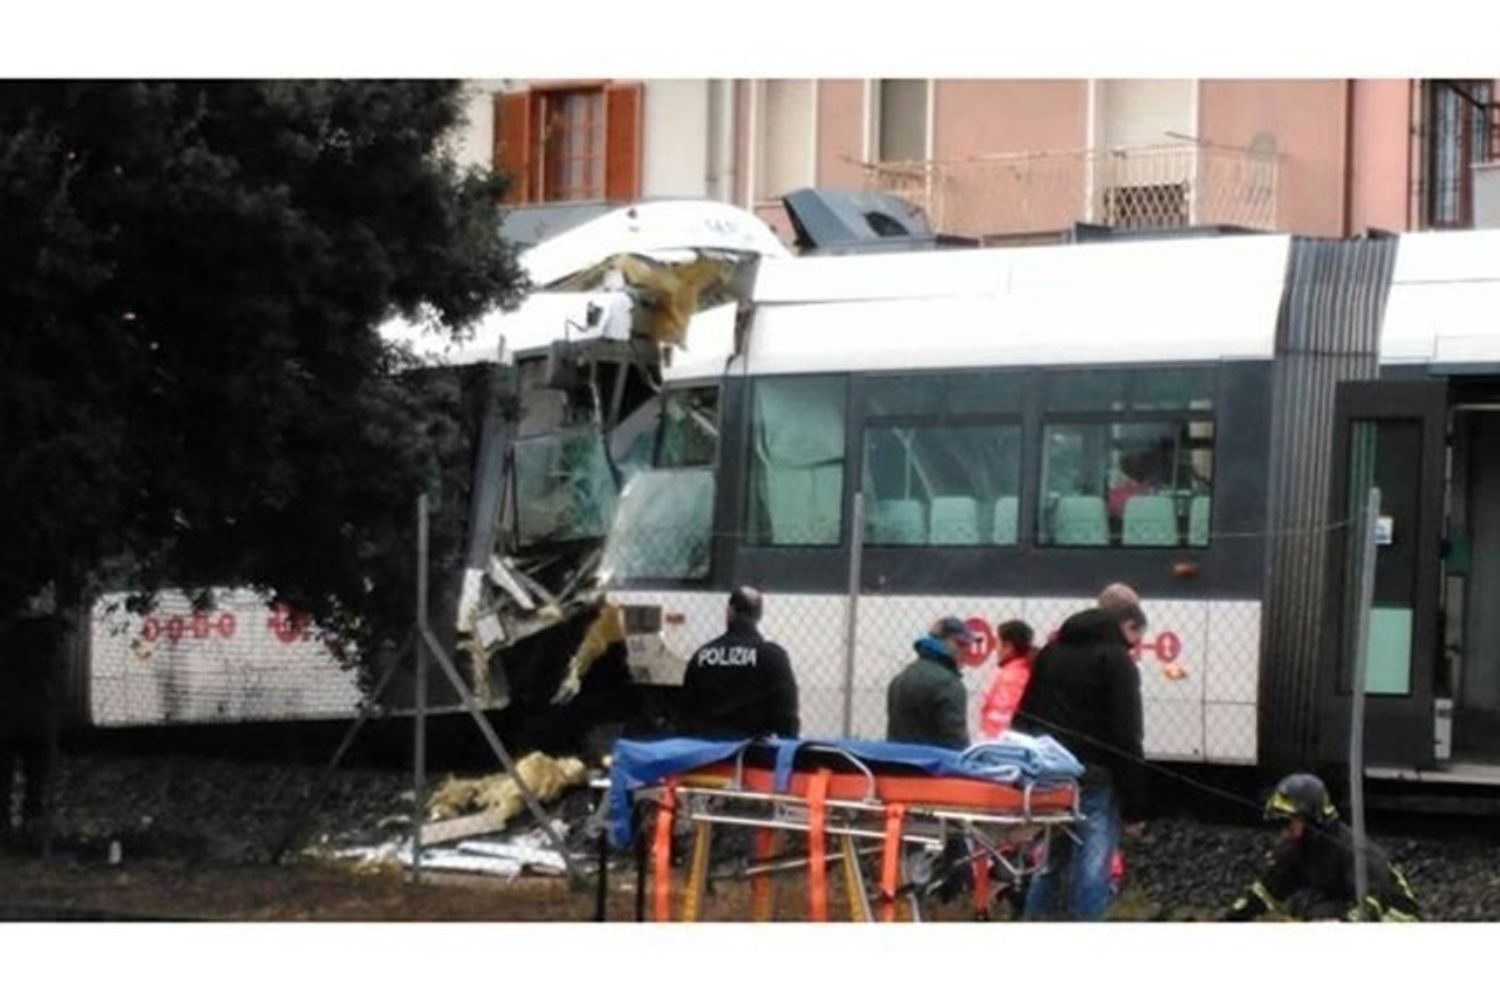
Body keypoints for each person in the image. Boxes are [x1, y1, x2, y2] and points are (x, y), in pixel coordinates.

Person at [1014, 600, 1147, 920]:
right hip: (1096, 778)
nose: (1134, 647)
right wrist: (1135, 807)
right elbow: (1126, 734)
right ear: (1123, 626)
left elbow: (1024, 716)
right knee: (1093, 866)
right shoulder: (1116, 660)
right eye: (1135, 639)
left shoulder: (1050, 654)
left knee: (1051, 862)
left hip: (1051, 776)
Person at [1223, 773, 1420, 922]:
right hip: (1352, 909)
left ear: (1312, 820)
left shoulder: (1352, 850)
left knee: (1316, 911)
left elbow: (1373, 905)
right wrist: (1228, 919)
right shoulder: (1299, 848)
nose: (1283, 832)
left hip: (1396, 918)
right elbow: (1267, 891)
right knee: (1302, 903)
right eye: (1279, 825)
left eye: (1289, 823)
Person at [678, 586, 799, 739]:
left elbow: (685, 712)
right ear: (759, 616)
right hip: (751, 754)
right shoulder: (774, 657)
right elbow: (787, 718)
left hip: (707, 753)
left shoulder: (702, 656)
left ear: (730, 611)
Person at [1, 592, 59, 855]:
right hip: (35, 718)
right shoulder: (42, 636)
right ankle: (32, 830)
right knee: (36, 780)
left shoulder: (7, 637)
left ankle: (7, 832)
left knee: (5, 779)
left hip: (7, 718)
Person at [886, 616, 977, 750]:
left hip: (897, 766)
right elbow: (956, 744)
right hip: (932, 767)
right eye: (960, 644)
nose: (966, 651)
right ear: (941, 642)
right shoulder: (949, 684)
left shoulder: (900, 678)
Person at [977, 619, 1035, 741]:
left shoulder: (1010, 678)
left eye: (997, 643)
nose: (996, 650)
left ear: (1008, 646)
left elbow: (1000, 719)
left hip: (999, 748)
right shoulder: (1026, 672)